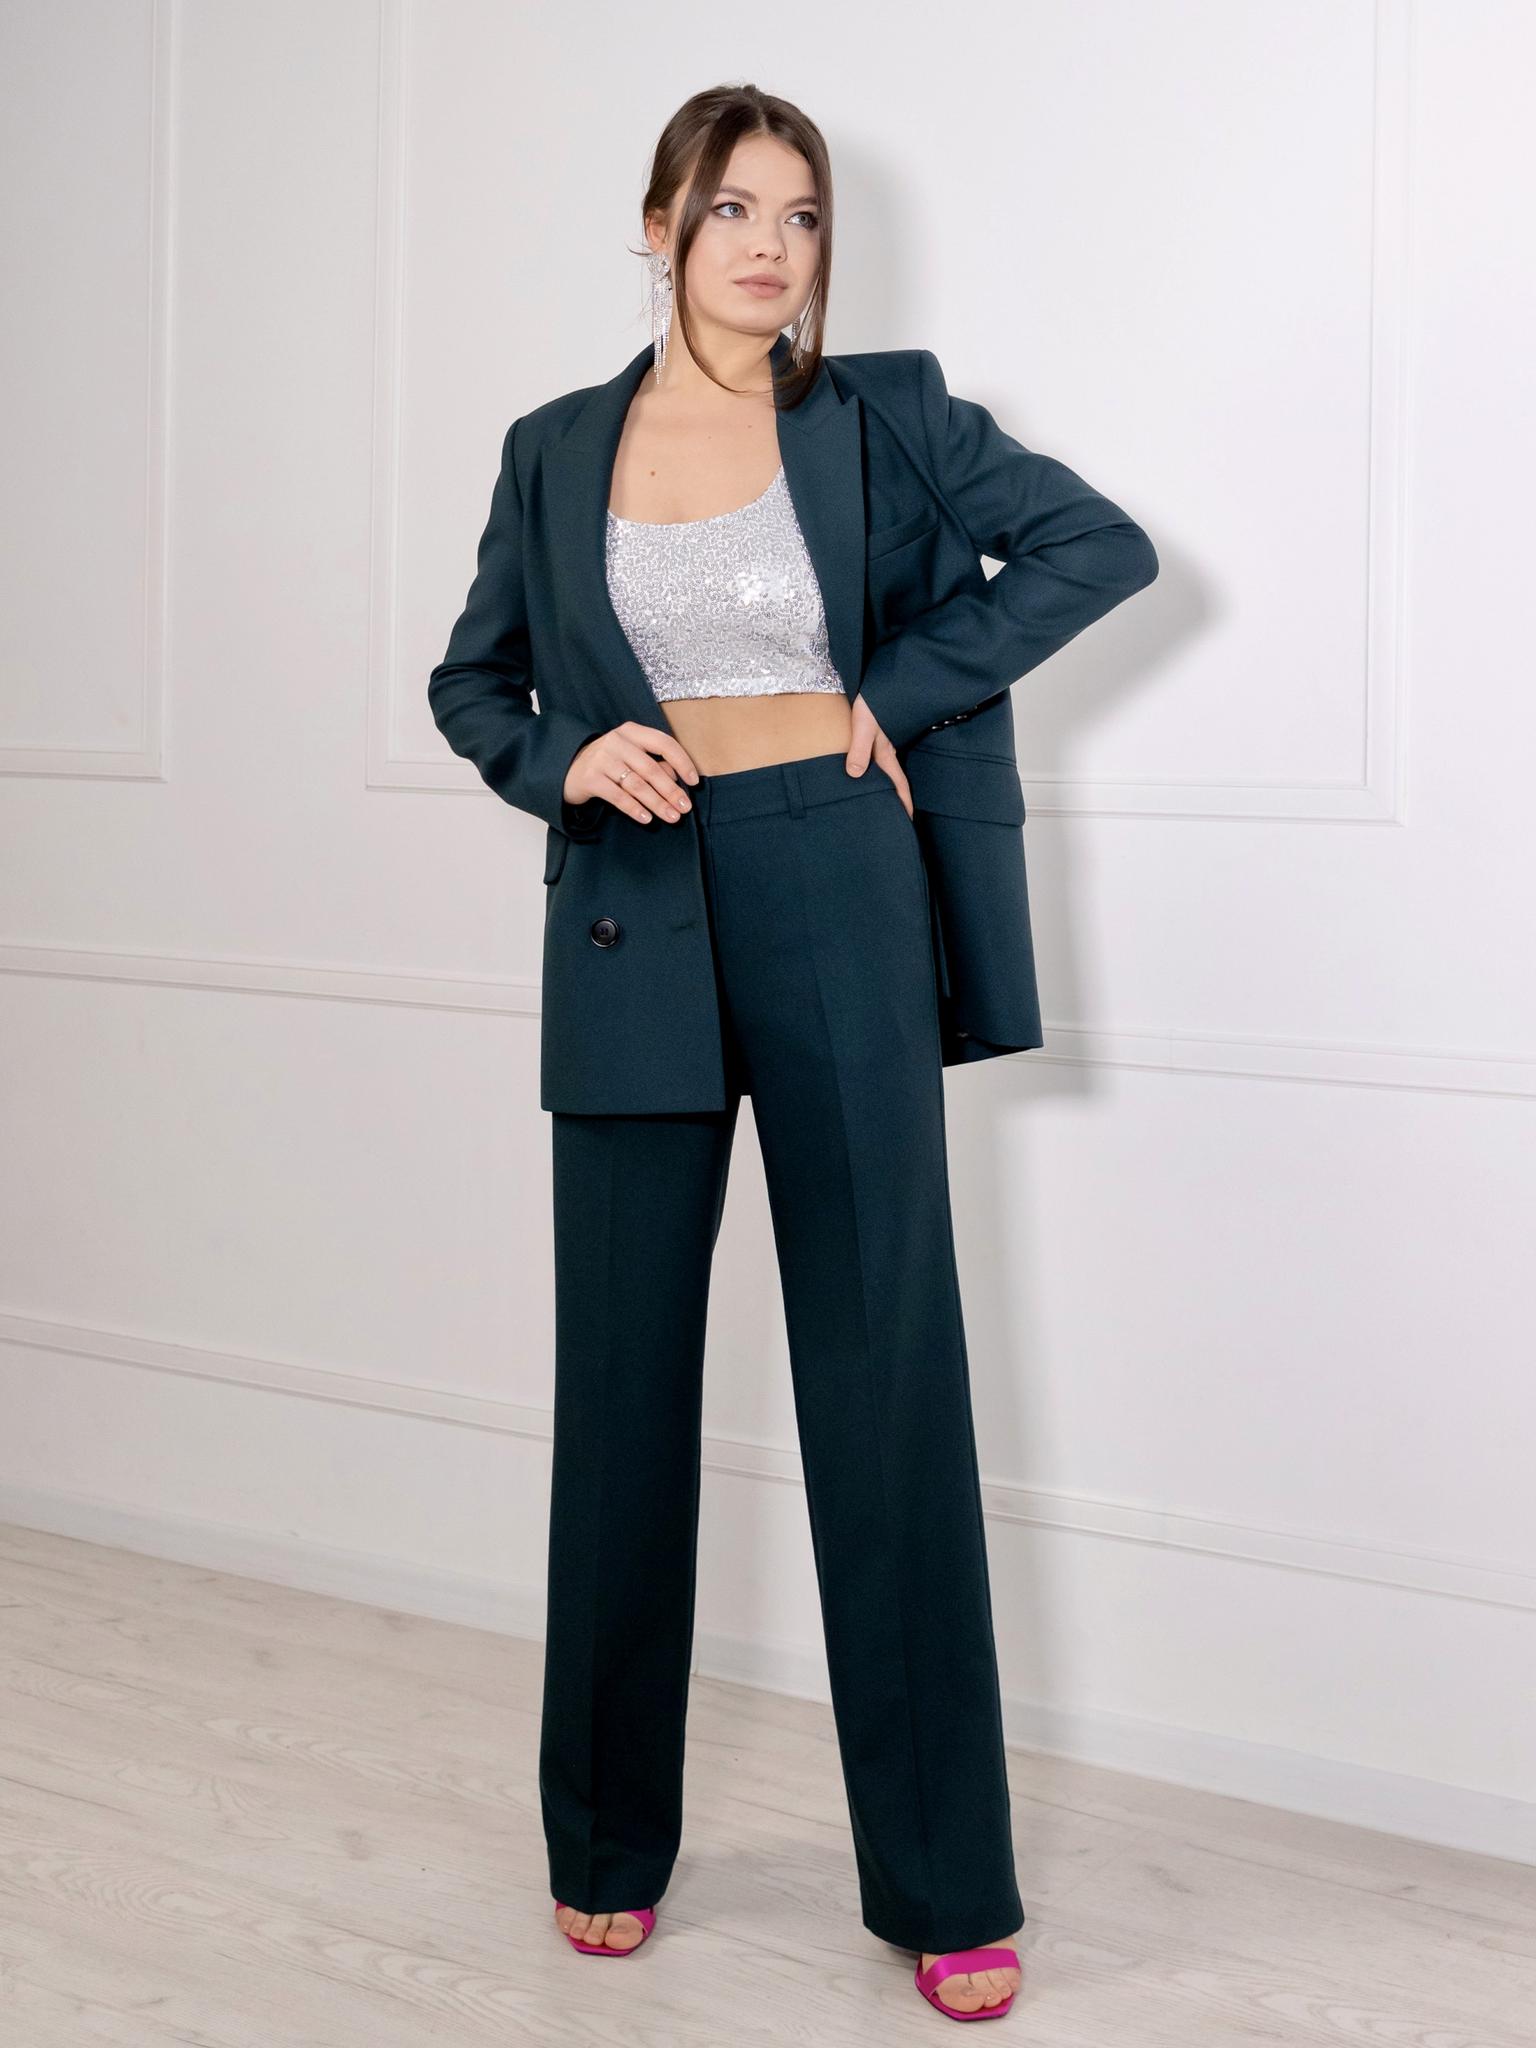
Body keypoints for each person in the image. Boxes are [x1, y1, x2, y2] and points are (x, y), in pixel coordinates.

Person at [427, 82, 1158, 2023]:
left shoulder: (884, 416)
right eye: (732, 207)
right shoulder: (554, 446)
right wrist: (563, 755)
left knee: (884, 1383)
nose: (770, 246)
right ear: (658, 222)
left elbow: (1095, 548)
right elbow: (472, 677)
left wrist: (895, 694)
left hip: (837, 884)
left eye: (802, 214)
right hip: (634, 912)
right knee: (623, 1397)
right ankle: (604, 1838)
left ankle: (945, 1882)